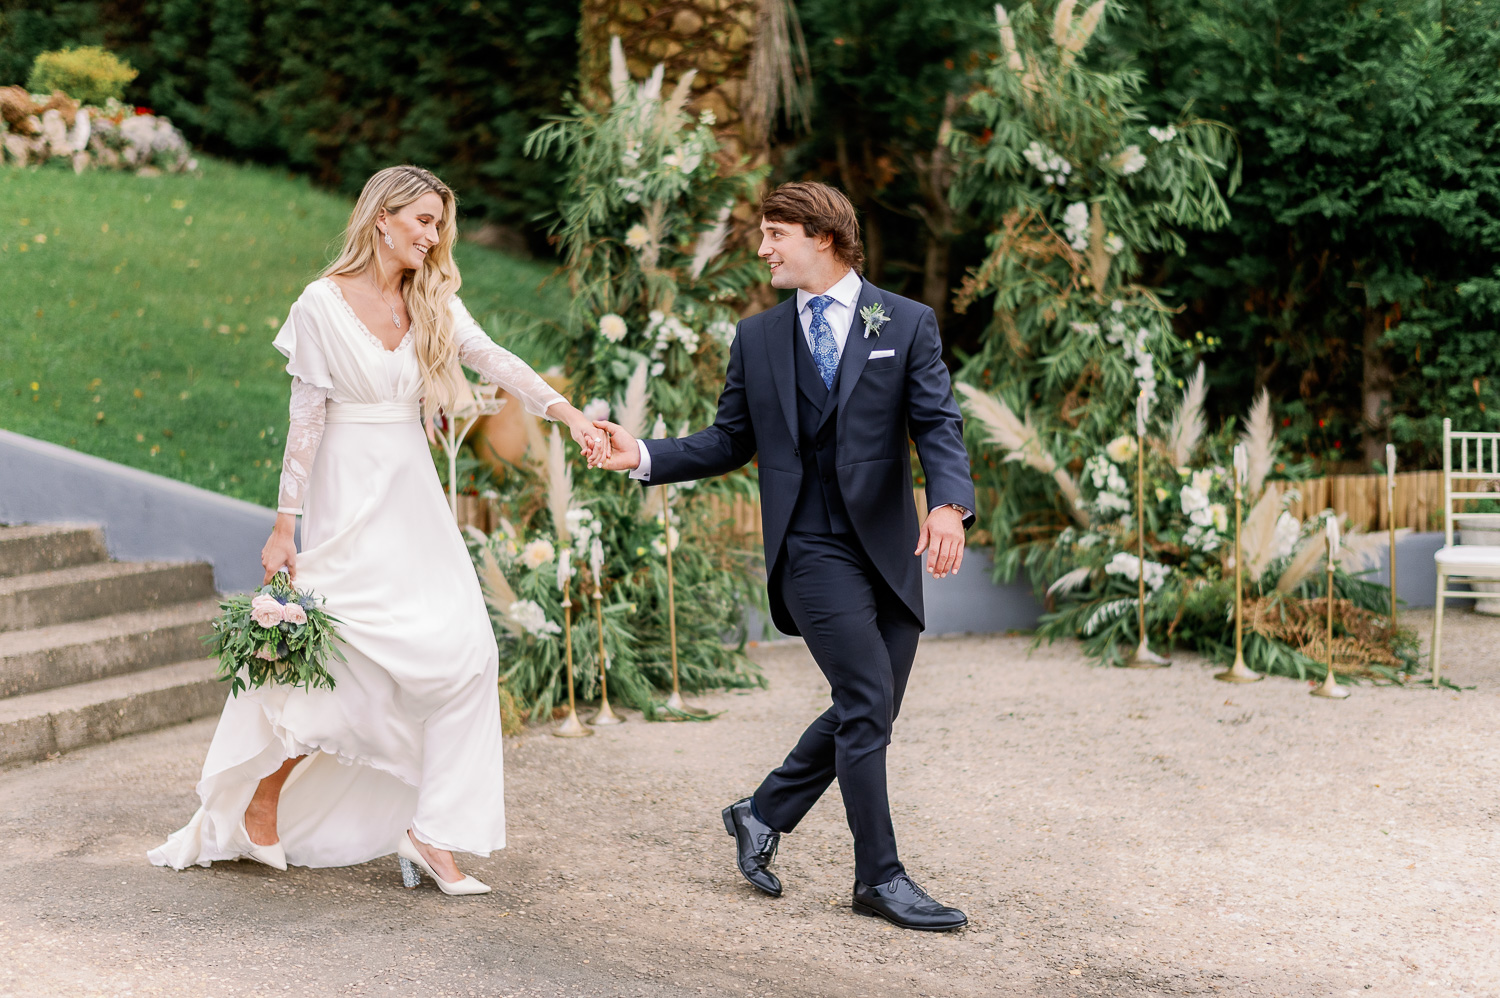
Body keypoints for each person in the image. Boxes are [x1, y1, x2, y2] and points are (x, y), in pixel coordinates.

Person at [149, 165, 608, 895]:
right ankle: (263, 795)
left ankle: (432, 832)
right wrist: (283, 527)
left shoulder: (432, 302)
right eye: (422, 221)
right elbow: (306, 420)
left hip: (412, 502)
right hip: (344, 495)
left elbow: (495, 360)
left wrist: (570, 414)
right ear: (381, 218)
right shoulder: (320, 304)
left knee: (469, 654)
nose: (433, 237)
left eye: (439, 226)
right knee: (342, 653)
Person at [594, 181, 975, 930]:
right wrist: (640, 453)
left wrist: (948, 505)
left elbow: (937, 423)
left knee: (871, 707)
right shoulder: (759, 337)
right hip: (808, 548)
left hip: (888, 549)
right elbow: (730, 439)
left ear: (823, 238)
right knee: (867, 702)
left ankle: (762, 811)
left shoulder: (904, 321)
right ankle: (880, 879)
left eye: (775, 234)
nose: (763, 249)